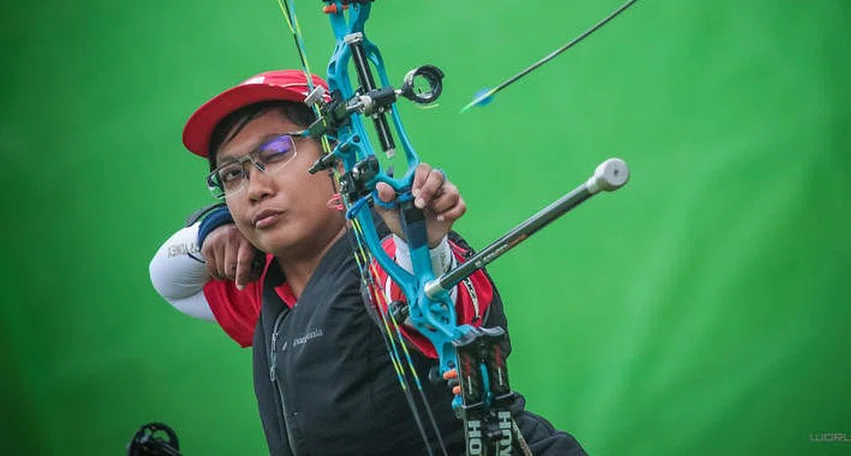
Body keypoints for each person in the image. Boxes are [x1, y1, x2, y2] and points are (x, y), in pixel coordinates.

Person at [149, 69, 587, 455]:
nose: (255, 188)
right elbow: (168, 279)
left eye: (276, 152)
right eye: (232, 174)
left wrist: (425, 245)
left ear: (338, 154)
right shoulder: (266, 285)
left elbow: (438, 305)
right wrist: (216, 226)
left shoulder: (389, 251)